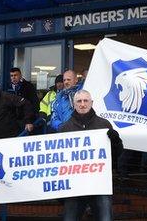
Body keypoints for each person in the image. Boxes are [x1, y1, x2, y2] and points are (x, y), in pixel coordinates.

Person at [59, 90, 123, 221]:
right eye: (79, 101)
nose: (82, 104)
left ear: (91, 103)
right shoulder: (65, 128)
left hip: (99, 186)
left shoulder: (104, 125)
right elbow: (58, 161)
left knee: (105, 218)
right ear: (74, 104)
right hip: (74, 187)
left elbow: (116, 155)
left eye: (85, 101)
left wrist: (116, 141)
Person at [8, 67, 39, 132]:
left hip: (26, 121)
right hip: (12, 122)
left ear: (20, 75)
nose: (13, 77)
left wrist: (29, 121)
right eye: (11, 76)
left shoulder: (28, 86)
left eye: (15, 75)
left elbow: (34, 104)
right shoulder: (8, 88)